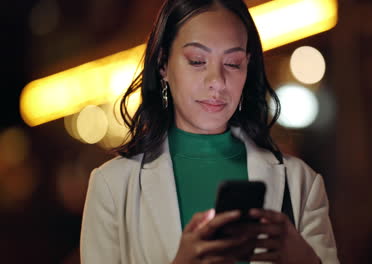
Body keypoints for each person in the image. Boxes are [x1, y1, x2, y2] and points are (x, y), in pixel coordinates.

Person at [80, 0, 339, 263]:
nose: (216, 80)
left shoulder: (300, 182)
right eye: (197, 61)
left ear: (248, 67)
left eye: (233, 63)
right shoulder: (111, 186)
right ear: (163, 65)